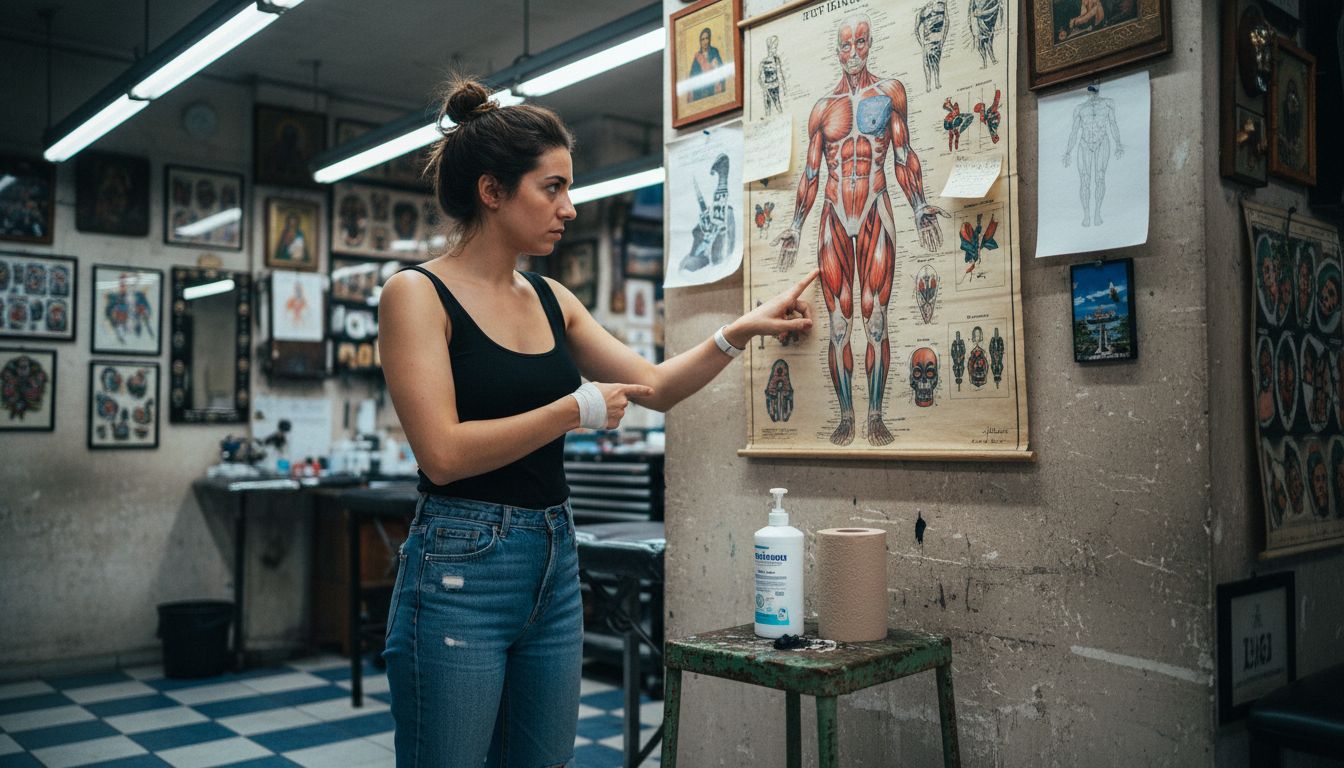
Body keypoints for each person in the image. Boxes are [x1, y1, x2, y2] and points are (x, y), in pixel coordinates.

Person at [377, 77, 817, 768]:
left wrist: (742, 330)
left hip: (551, 559)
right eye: (551, 188)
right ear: (492, 192)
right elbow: (443, 455)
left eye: (568, 189)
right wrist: (571, 410)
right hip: (459, 568)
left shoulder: (553, 300)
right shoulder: (415, 294)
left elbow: (659, 387)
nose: (569, 208)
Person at [774, 16, 947, 447]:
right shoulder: (822, 108)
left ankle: (874, 415)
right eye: (846, 45)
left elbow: (903, 154)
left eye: (861, 43)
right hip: (834, 212)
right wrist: (795, 225)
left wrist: (920, 204)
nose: (853, 52)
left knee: (876, 320)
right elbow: (812, 173)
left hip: (874, 209)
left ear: (871, 45)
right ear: (837, 50)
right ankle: (846, 416)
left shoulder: (889, 94)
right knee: (838, 325)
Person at [688, 27, 725, 101]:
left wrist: (715, 67)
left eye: (706, 38)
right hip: (701, 89)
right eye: (702, 39)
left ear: (709, 39)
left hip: (713, 87)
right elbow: (692, 75)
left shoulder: (714, 51)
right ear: (700, 41)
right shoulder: (697, 56)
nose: (705, 41)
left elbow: (722, 69)